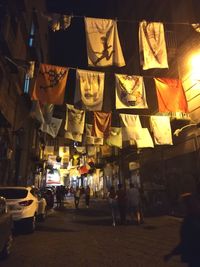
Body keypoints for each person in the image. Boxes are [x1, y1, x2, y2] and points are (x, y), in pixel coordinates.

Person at [164, 189, 200, 267]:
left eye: (181, 205)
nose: (180, 207)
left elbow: (186, 242)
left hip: (195, 256)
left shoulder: (189, 221)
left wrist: (171, 253)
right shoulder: (194, 217)